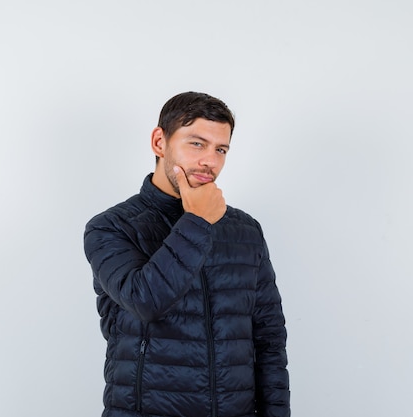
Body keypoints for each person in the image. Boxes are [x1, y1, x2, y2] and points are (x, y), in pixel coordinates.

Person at [84, 92, 290, 417]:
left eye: (220, 149)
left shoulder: (245, 230)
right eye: (196, 143)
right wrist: (197, 221)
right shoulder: (111, 228)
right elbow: (147, 301)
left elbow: (269, 338)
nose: (210, 160)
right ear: (159, 142)